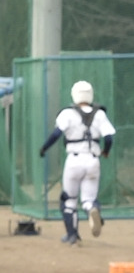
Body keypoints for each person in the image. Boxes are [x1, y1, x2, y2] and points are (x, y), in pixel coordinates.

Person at [39, 80, 115, 243]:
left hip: (74, 160)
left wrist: (44, 148)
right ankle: (92, 209)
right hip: (93, 160)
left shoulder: (68, 113)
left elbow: (56, 135)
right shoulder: (100, 114)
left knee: (69, 200)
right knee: (88, 199)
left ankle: (73, 235)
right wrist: (106, 152)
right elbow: (108, 138)